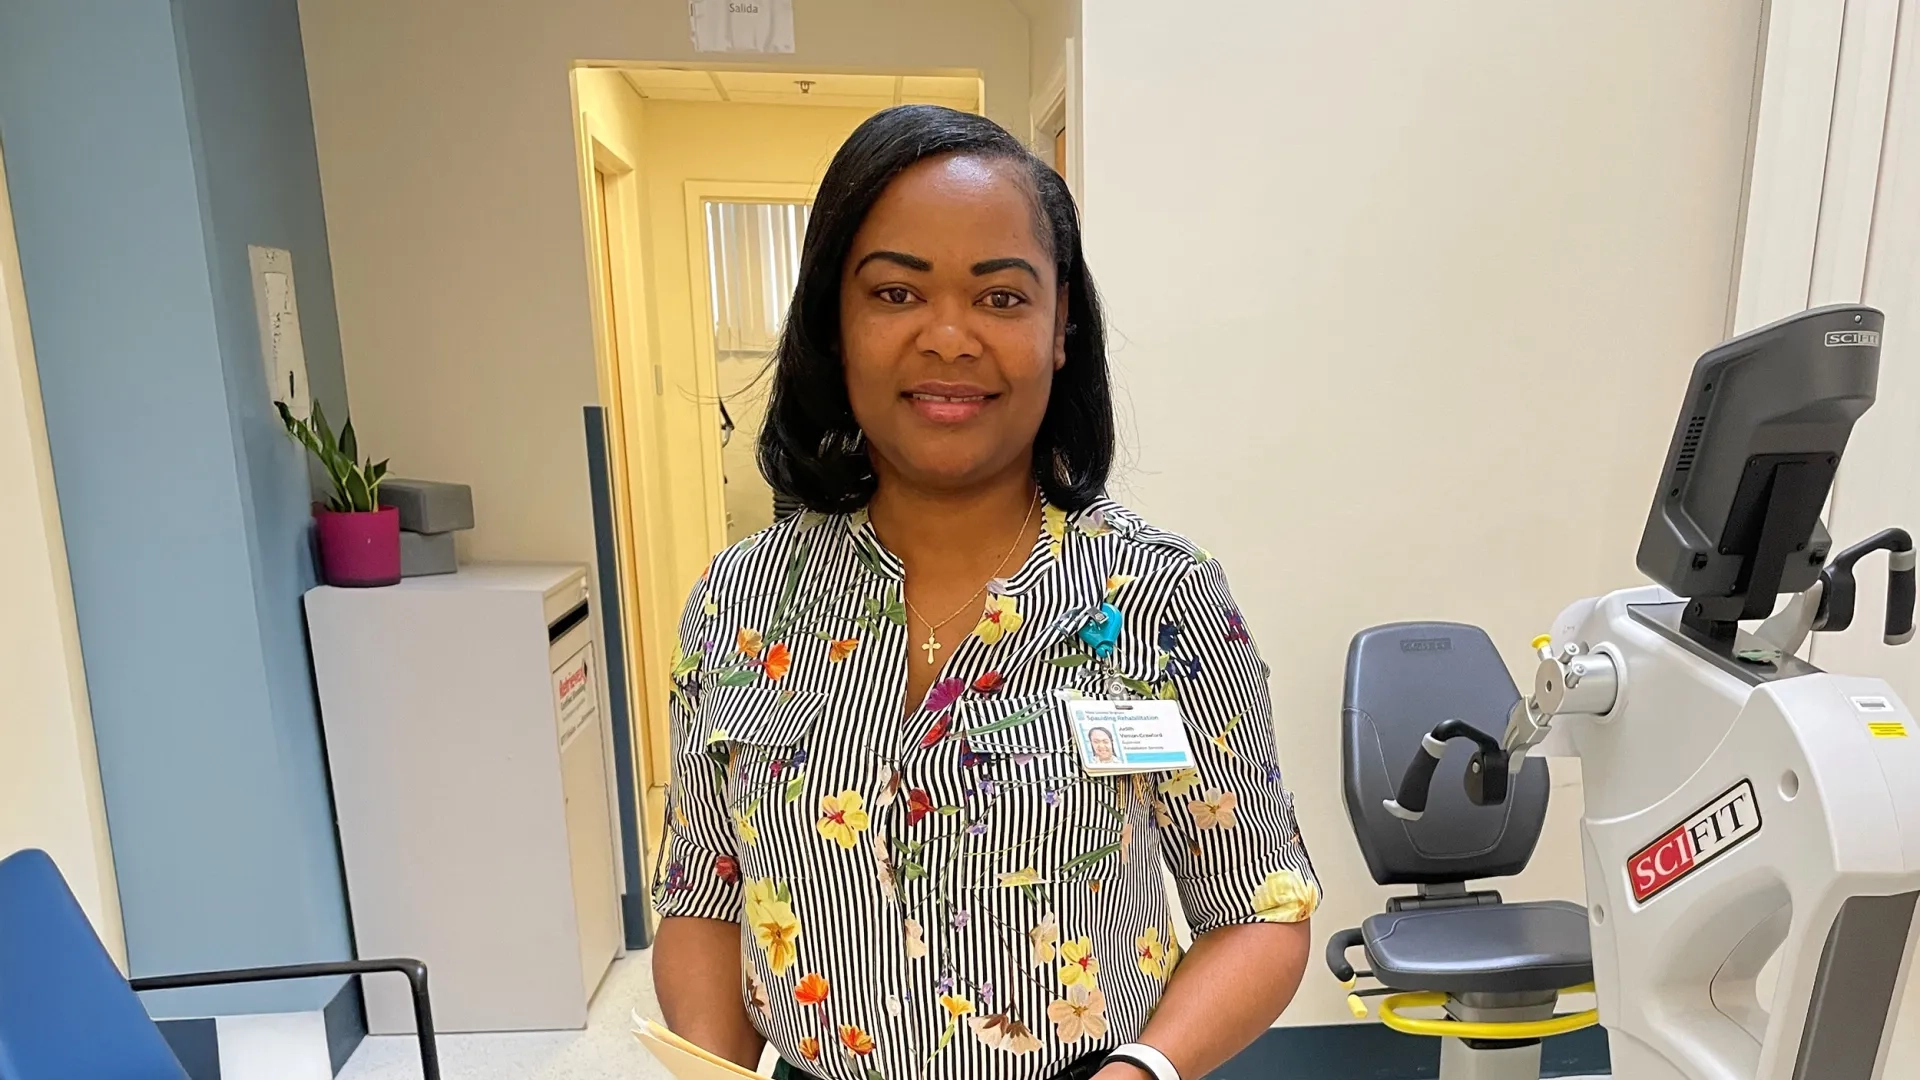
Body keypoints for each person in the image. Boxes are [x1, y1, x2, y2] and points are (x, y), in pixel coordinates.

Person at [651, 105, 1319, 1080]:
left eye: (1001, 297)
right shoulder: (738, 604)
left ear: (1060, 327)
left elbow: (1259, 907)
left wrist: (1142, 1073)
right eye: (895, 292)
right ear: (836, 323)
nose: (950, 337)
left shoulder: (1158, 599)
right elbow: (703, 897)